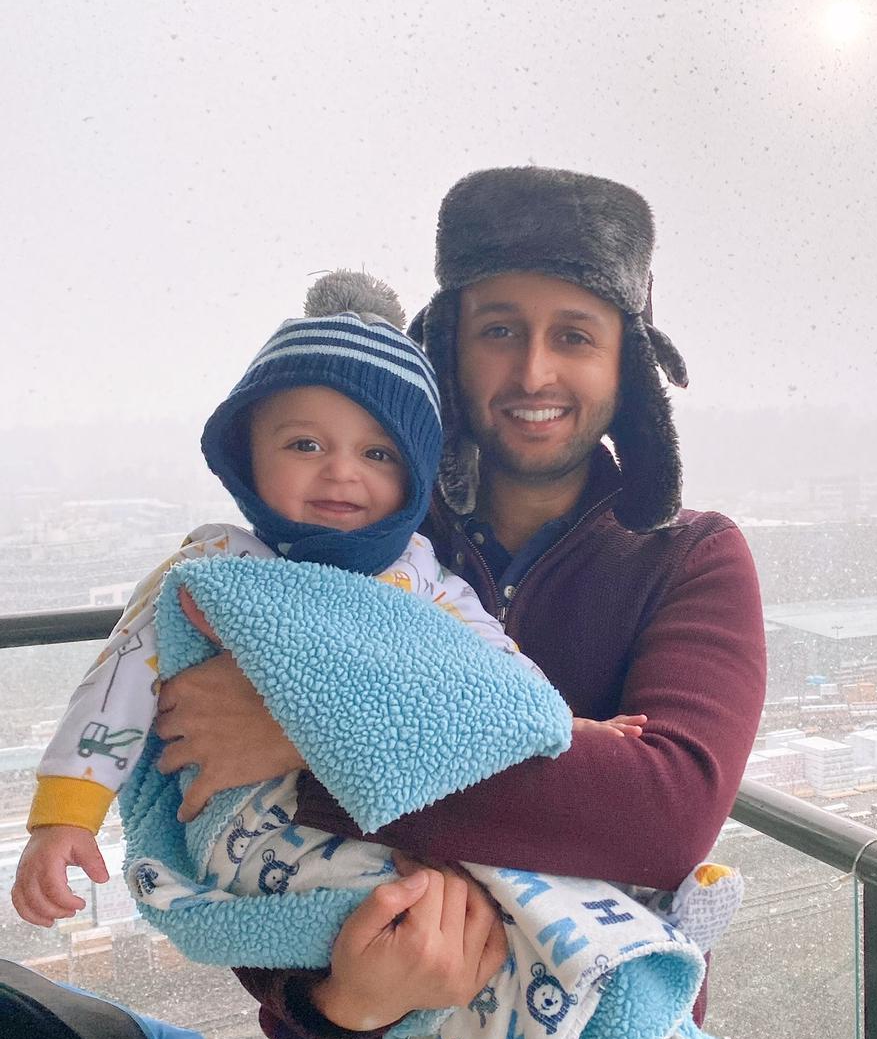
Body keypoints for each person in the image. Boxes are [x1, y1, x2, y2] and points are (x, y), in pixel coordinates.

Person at [154, 166, 767, 1039]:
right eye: (499, 330)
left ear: (625, 365)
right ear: (444, 346)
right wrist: (335, 999)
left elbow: (663, 810)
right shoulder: (344, 533)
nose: (534, 372)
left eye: (573, 335)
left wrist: (314, 731)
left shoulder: (689, 561)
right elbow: (233, 831)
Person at [11, 269, 638, 928]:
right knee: (484, 911)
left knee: (503, 900)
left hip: (390, 827)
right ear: (247, 455)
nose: (341, 470)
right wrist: (64, 817)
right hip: (257, 831)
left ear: (417, 477)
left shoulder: (422, 577)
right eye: (305, 444)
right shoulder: (216, 566)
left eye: (377, 452)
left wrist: (565, 731)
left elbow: (493, 680)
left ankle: (639, 949)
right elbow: (117, 684)